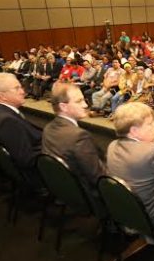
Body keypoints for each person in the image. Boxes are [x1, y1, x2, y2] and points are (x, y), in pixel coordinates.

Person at [106, 102, 154, 245]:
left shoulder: (112, 146)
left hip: (128, 213)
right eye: (150, 124)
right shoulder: (151, 151)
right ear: (134, 131)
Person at [42, 83, 107, 216]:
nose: (85, 105)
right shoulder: (78, 136)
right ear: (63, 107)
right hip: (88, 197)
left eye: (84, 99)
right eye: (79, 101)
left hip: (65, 191)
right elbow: (99, 178)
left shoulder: (48, 128)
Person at [0, 72, 43, 182]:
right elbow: (26, 159)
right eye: (17, 89)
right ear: (1, 96)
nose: (23, 92)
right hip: (34, 175)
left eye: (21, 87)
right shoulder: (8, 121)